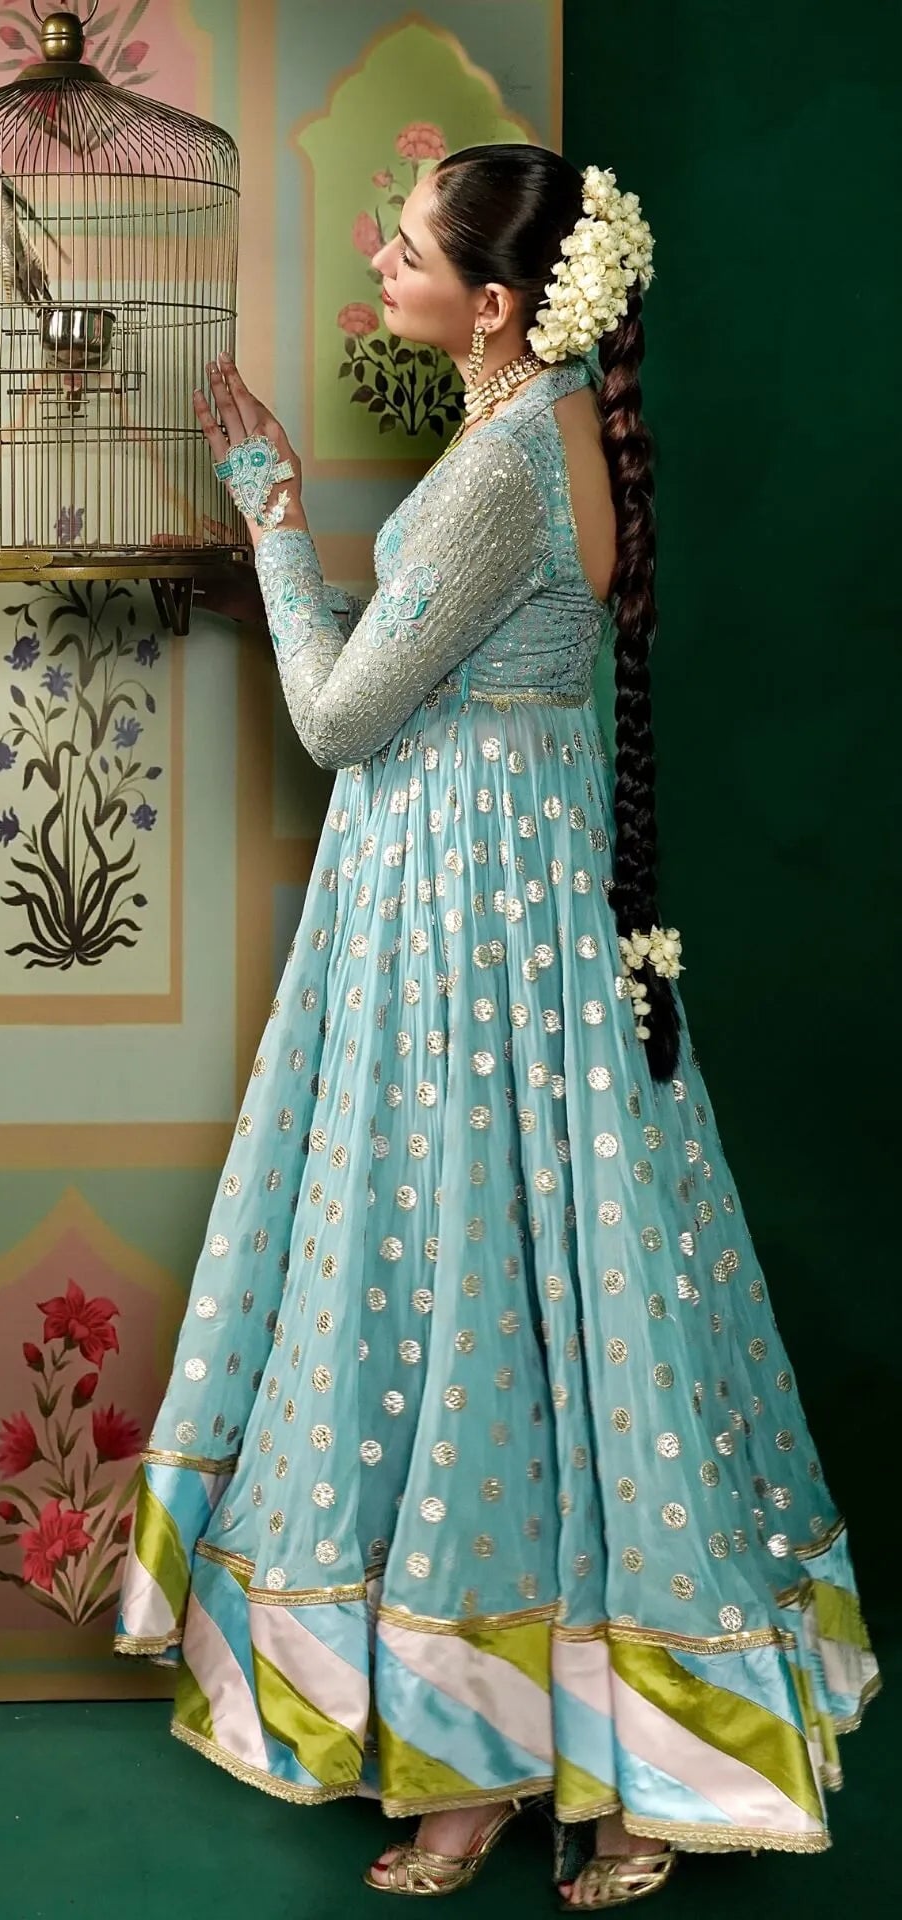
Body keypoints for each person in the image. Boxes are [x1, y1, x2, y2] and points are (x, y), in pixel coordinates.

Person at [115, 145, 878, 1906]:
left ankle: (591, 1773)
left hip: (468, 930)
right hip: (502, 904)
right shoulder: (553, 434)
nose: (380, 259)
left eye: (409, 246)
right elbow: (433, 682)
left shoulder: (497, 473)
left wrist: (272, 511)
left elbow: (338, 720)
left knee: (471, 1279)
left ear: (498, 304)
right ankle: (526, 1757)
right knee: (539, 1298)